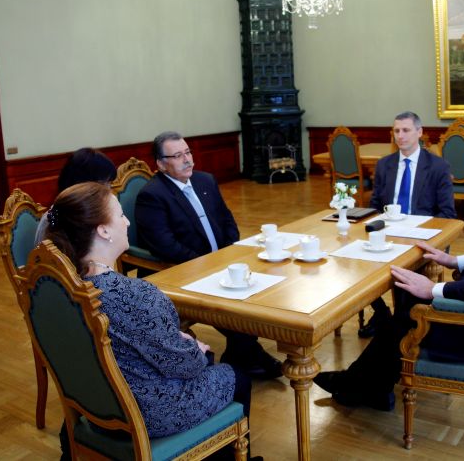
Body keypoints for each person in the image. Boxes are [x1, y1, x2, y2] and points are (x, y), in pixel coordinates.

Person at [314, 128, 464, 410]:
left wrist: (433, 288)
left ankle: (359, 386)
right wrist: (455, 261)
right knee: (409, 303)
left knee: (412, 310)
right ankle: (370, 385)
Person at [45, 182, 257, 459]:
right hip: (144, 414)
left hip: (93, 407)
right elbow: (186, 366)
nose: (127, 221)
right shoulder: (135, 295)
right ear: (103, 230)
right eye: (121, 215)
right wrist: (195, 347)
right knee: (234, 375)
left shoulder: (57, 289)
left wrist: (174, 340)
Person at [135, 131, 283, 379]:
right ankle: (248, 356)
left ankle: (241, 355)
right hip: (185, 270)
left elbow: (227, 220)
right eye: (178, 156)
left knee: (260, 289)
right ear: (161, 164)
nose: (187, 160)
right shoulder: (152, 195)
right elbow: (165, 245)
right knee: (236, 309)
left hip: (221, 260)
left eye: (188, 152)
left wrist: (229, 252)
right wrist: (207, 264)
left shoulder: (205, 180)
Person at [358, 111, 456, 338]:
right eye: (396, 131)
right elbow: (375, 206)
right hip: (388, 234)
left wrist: (418, 232)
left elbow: (447, 214)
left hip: (422, 237)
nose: (400, 136)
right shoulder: (384, 165)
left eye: (406, 130)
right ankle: (382, 313)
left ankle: (402, 324)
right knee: (354, 262)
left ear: (419, 132)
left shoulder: (438, 166)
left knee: (404, 268)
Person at [34, 147, 117, 245]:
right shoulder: (57, 220)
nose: (109, 191)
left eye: (110, 184)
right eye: (104, 184)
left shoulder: (92, 213)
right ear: (84, 184)